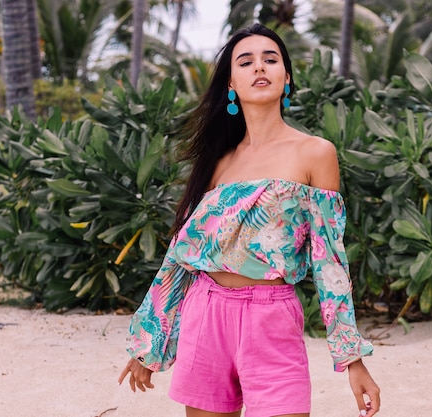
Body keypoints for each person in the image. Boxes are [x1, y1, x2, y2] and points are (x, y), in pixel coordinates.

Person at [118, 23, 381, 417]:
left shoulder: (315, 153)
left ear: (286, 77)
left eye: (270, 59)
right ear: (231, 83)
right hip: (205, 317)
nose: (260, 67)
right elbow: (180, 258)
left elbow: (330, 263)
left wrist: (352, 359)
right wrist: (149, 345)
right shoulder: (217, 162)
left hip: (271, 318)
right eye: (246, 61)